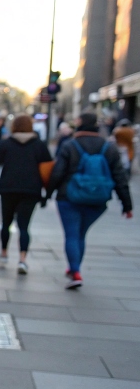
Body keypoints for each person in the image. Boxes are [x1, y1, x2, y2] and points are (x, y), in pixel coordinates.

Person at [47, 113, 133, 289]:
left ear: (79, 124)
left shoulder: (70, 145)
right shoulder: (108, 147)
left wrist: (47, 193)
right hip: (98, 200)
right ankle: (75, 267)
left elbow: (58, 172)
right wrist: (127, 204)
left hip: (69, 197)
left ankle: (75, 270)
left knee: (71, 234)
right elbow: (119, 176)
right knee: (81, 234)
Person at [0, 115, 52, 275]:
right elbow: (48, 170)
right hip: (31, 190)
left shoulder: (5, 144)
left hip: (8, 188)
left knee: (5, 223)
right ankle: (22, 259)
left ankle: (4, 253)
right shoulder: (39, 145)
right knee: (24, 227)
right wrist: (46, 193)